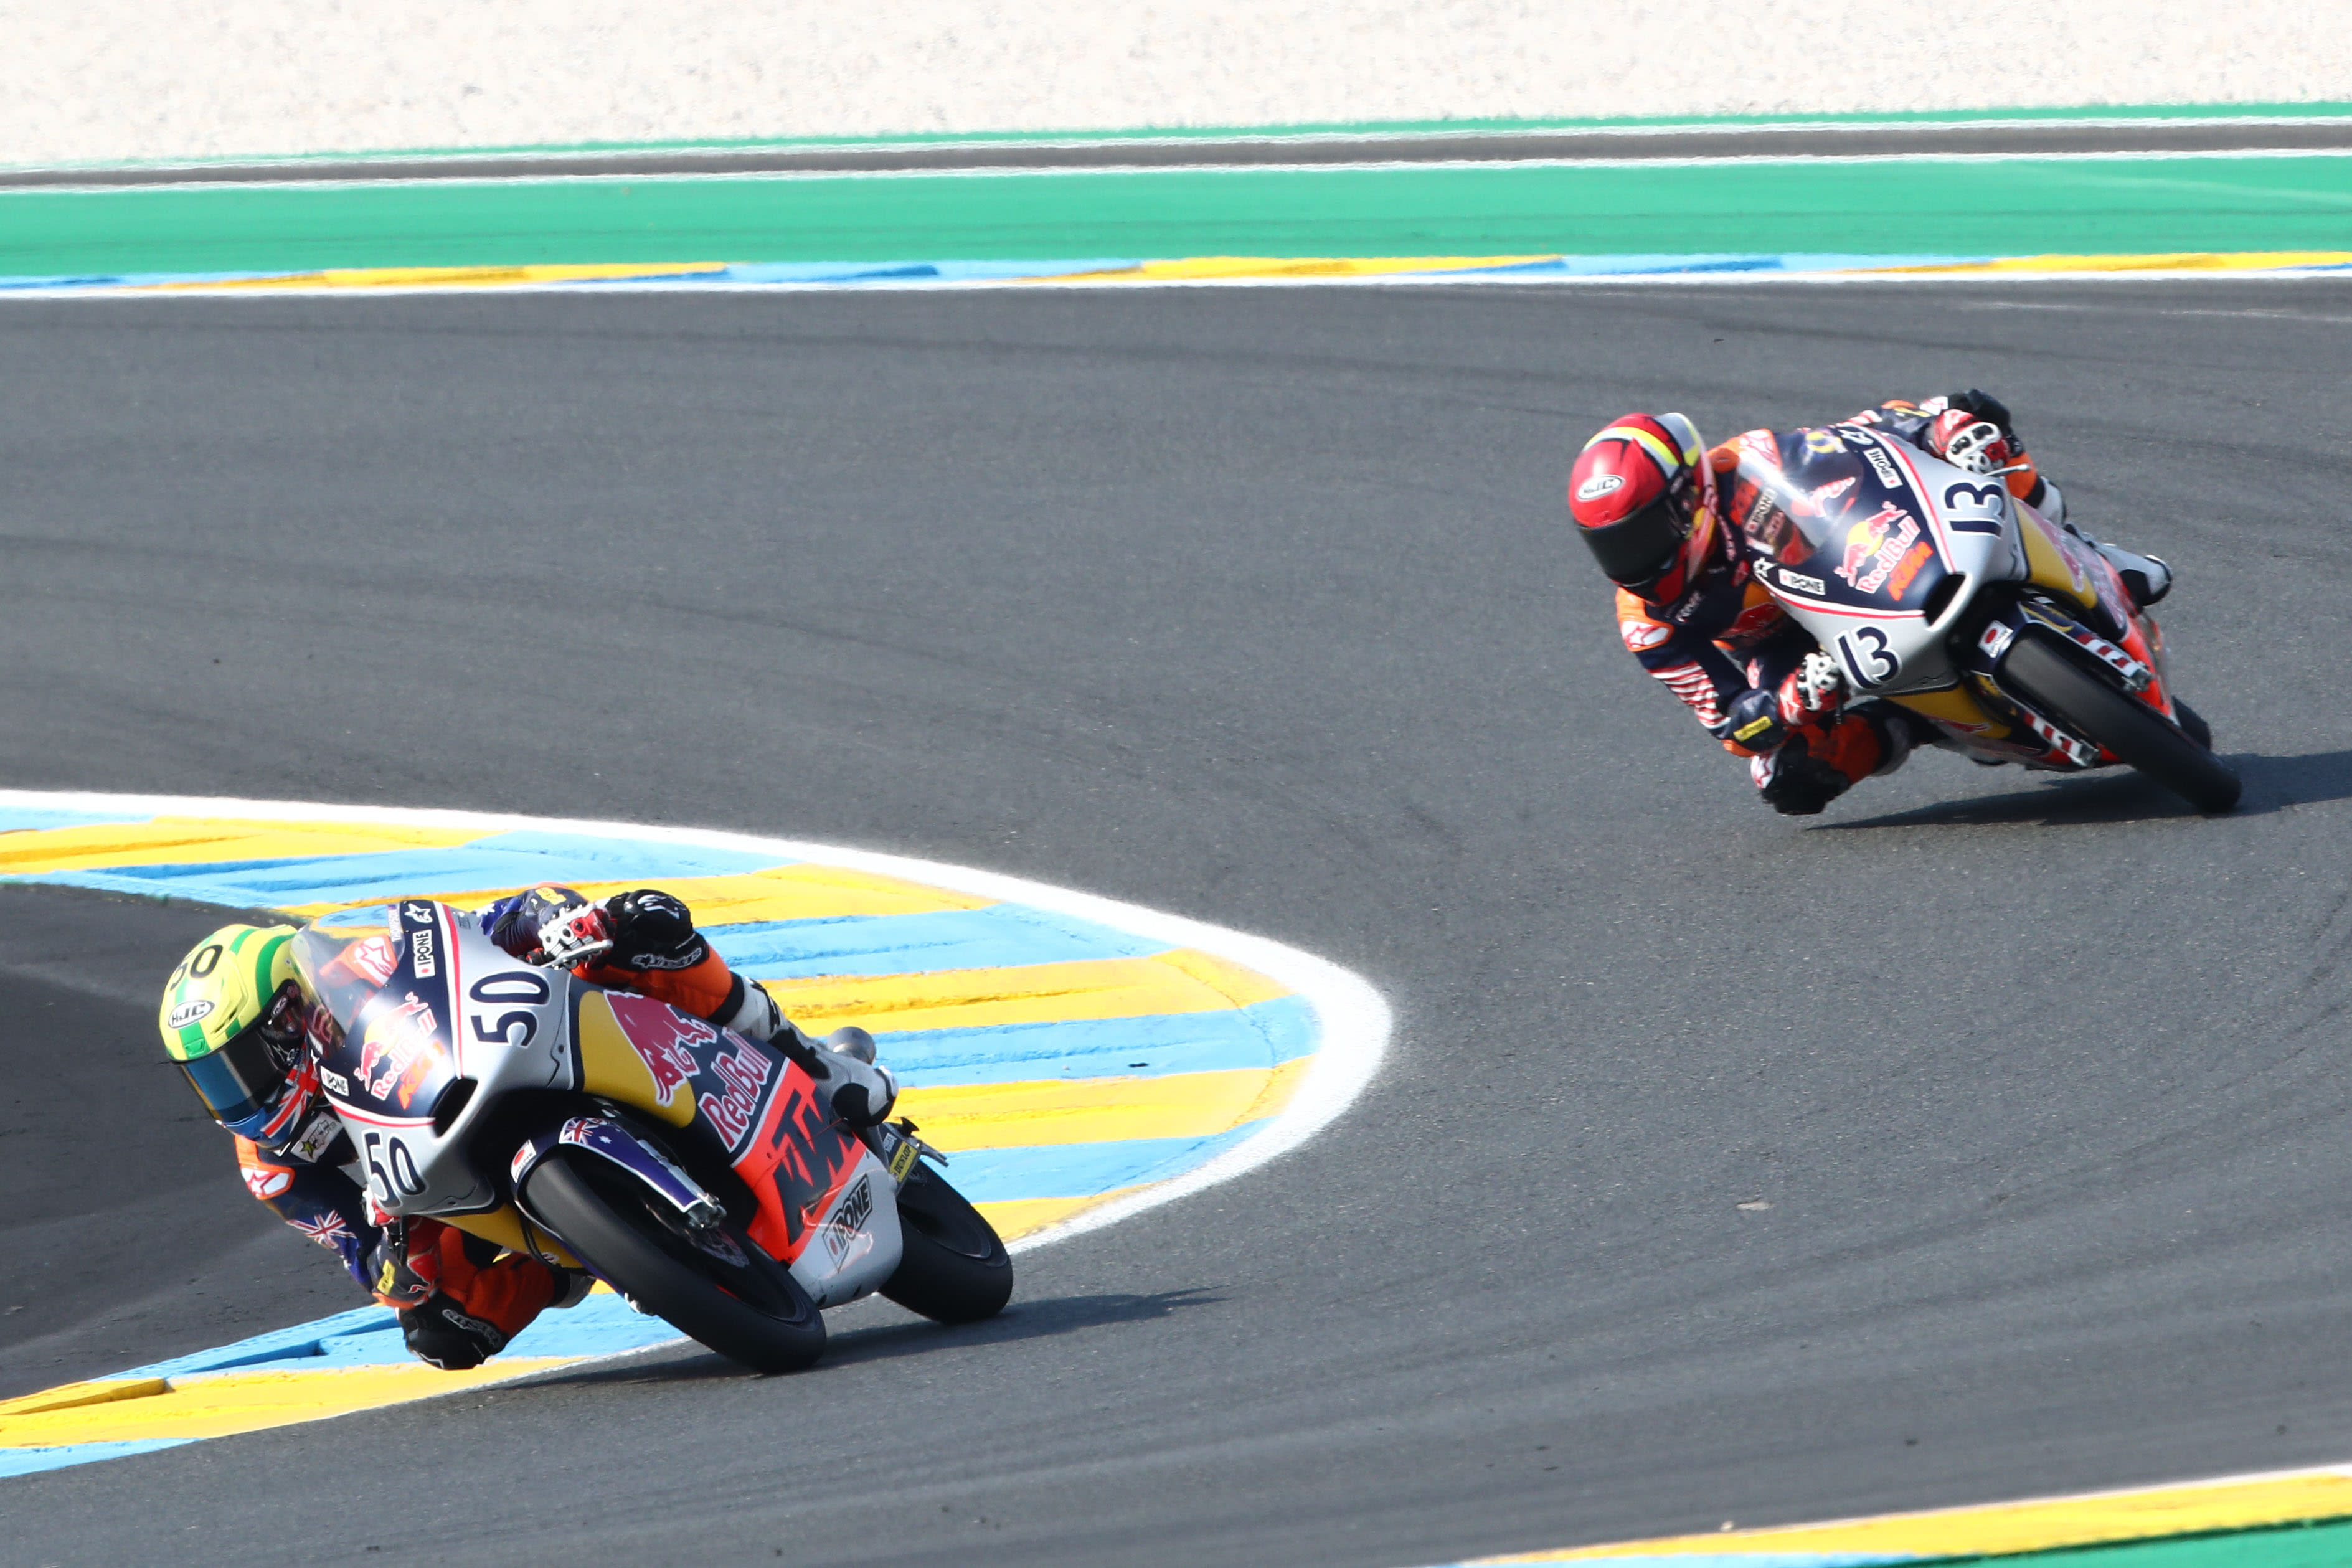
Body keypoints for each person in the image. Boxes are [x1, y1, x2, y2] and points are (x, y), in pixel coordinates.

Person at [156, 889, 898, 1371]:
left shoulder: (364, 965)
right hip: (447, 1186)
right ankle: (577, 1252)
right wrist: (392, 1256)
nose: (238, 1095)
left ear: (292, 1015)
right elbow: (364, 1257)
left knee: (641, 924)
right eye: (212, 1079)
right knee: (440, 1332)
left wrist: (552, 924)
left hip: (507, 1046)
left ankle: (810, 1060)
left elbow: (481, 930)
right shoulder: (272, 1164)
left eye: (243, 1064)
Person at [1564, 393, 2172, 816]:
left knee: (1973, 415)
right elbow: (1732, 723)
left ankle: (2089, 551)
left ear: (1689, 497)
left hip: (1851, 557)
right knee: (1786, 778)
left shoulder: (1750, 461)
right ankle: (1922, 723)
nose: (1632, 561)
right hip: (1790, 648)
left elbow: (1864, 440)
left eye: (1641, 535)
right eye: (1611, 546)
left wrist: (1941, 432)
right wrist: (1790, 701)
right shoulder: (1646, 621)